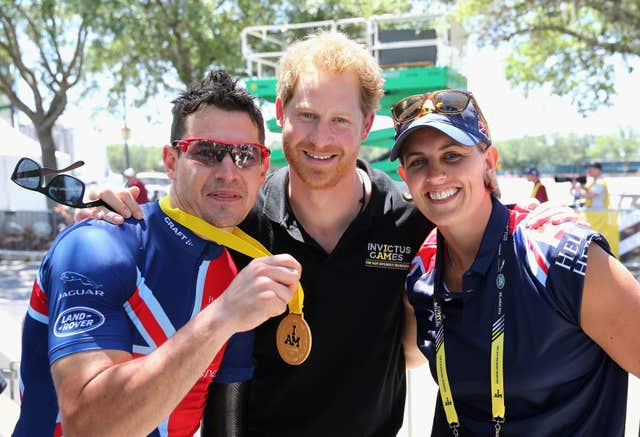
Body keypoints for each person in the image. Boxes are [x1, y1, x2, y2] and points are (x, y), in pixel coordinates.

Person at [91, 34, 580, 436]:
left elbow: (481, 214)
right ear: (280, 113)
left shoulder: (411, 220)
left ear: (367, 125)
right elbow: (167, 219)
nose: (321, 138)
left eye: (340, 121)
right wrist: (117, 205)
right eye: (306, 116)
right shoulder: (238, 217)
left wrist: (535, 216)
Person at [12, 71, 301, 437]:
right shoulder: (98, 246)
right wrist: (223, 315)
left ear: (263, 170)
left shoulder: (234, 275)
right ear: (170, 162)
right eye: (207, 152)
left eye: (246, 155)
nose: (228, 171)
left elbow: (225, 424)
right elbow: (89, 427)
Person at [389, 89, 640, 435]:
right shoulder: (422, 273)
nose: (435, 175)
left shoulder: (560, 257)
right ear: (405, 177)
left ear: (489, 162)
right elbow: (406, 355)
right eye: (418, 161)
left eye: (452, 156)